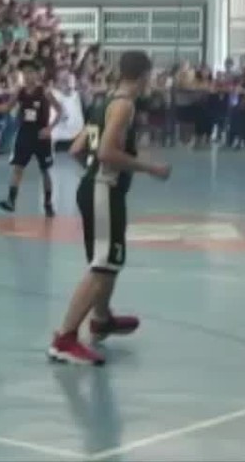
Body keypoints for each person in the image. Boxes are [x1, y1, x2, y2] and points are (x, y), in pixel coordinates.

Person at [48, 50, 170, 366]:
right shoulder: (124, 106)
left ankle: (101, 319)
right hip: (103, 190)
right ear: (144, 75)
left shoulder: (104, 102)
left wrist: (93, 176)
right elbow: (105, 151)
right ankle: (64, 338)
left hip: (97, 188)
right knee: (102, 267)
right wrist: (149, 168)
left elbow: (78, 148)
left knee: (109, 261)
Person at [0, 60, 63, 217]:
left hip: (41, 134)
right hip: (25, 133)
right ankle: (11, 200)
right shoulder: (19, 91)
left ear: (37, 74)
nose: (27, 76)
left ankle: (48, 203)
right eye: (25, 73)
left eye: (30, 72)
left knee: (45, 170)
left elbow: (60, 110)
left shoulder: (45, 92)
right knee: (18, 168)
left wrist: (50, 128)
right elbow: (7, 107)